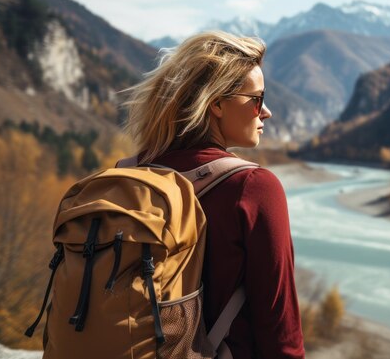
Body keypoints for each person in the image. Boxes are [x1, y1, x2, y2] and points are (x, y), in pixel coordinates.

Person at [121, 31, 305, 359]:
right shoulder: (254, 188)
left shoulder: (129, 174)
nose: (267, 112)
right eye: (257, 99)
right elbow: (281, 331)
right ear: (217, 102)